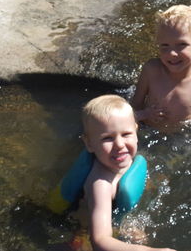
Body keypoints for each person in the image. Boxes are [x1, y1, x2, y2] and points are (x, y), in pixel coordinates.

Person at [75, 94, 175, 251]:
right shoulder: (101, 185)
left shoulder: (125, 157)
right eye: (107, 138)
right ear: (89, 143)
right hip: (87, 230)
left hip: (121, 215)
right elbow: (100, 240)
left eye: (126, 134)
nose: (120, 145)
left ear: (136, 131)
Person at [131, 4, 191, 132]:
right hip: (148, 129)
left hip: (183, 136)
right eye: (165, 46)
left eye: (181, 45)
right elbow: (134, 107)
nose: (172, 53)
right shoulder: (152, 71)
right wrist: (145, 114)